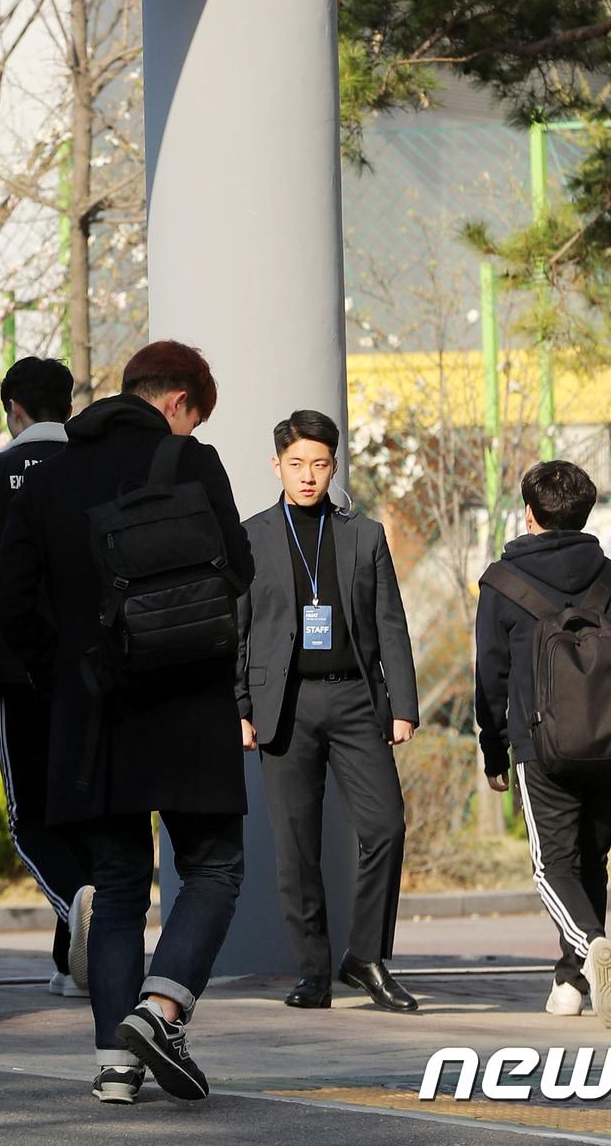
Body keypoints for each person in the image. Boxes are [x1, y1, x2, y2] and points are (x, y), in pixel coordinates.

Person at [0, 341, 252, 1106]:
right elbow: (240, 568)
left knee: (117, 885)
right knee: (213, 867)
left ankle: (114, 1063)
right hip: (191, 705)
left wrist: (63, 670)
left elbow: (10, 601)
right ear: (177, 402)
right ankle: (160, 1008)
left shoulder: (48, 478)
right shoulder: (193, 464)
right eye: (194, 413)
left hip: (94, 711)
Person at [475, 460, 611, 1029]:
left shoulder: (501, 583)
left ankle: (590, 948)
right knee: (593, 860)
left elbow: (489, 676)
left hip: (541, 748)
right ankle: (569, 984)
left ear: (530, 513)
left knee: (551, 866)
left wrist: (494, 750)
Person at [236, 409, 420, 1013]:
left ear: (334, 466)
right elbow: (234, 632)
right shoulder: (252, 535)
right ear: (277, 466)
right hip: (281, 705)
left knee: (386, 825)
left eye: (319, 464)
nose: (308, 476)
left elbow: (391, 624)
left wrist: (402, 705)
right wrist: (238, 706)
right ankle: (313, 971)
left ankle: (365, 956)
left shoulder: (363, 534)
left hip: (355, 699)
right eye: (296, 465)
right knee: (297, 847)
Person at [0, 355, 93, 996]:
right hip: (95, 674)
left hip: (18, 675)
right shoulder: (97, 470)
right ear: (69, 405)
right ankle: (74, 960)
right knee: (85, 811)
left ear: (13, 410)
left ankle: (77, 904)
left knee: (28, 816)